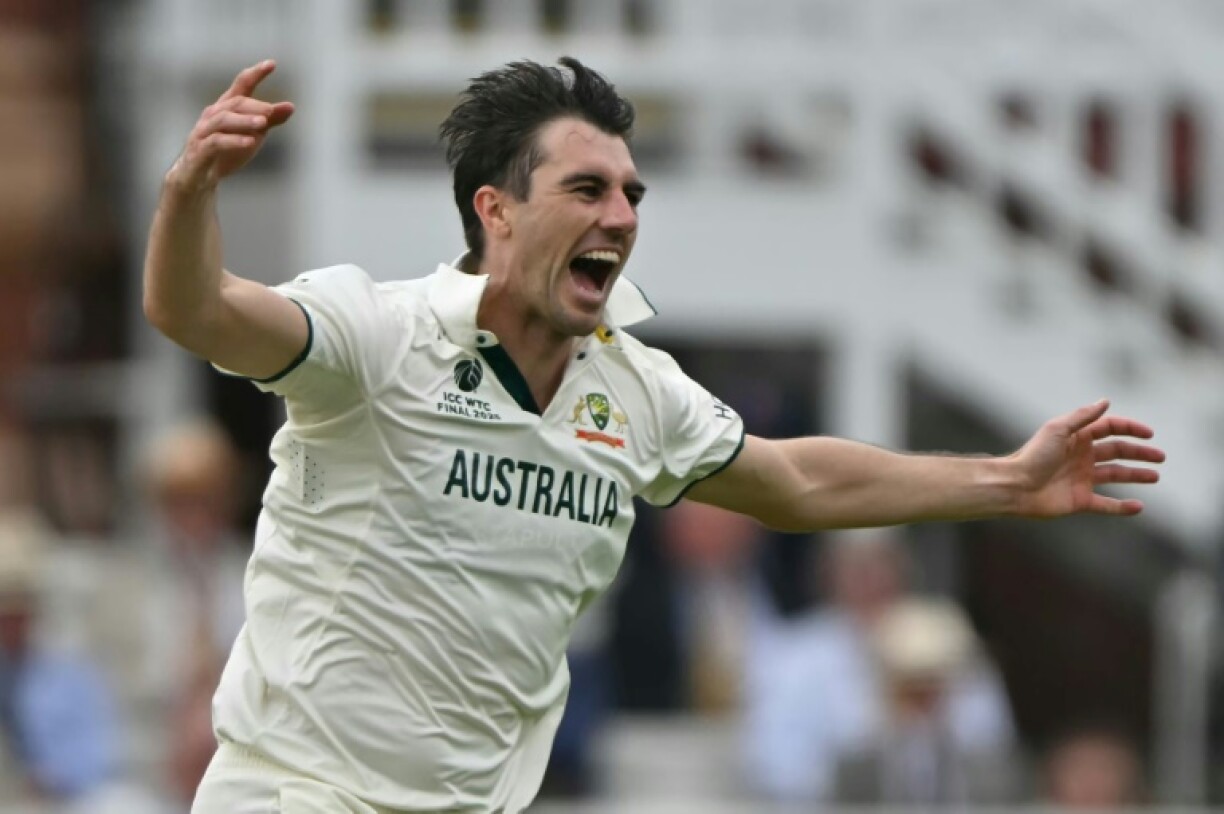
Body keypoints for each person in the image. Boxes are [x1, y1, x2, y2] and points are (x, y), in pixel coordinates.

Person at [142, 56, 1165, 814]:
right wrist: (189, 193)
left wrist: (1004, 479)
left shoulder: (635, 389)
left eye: (632, 192)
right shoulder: (373, 333)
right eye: (587, 189)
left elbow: (795, 482)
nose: (622, 214)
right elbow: (198, 313)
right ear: (495, 210)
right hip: (296, 795)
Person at [743, 532, 1014, 801]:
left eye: (882, 563)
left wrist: (933, 718)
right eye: (857, 567)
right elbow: (775, 766)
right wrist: (878, 726)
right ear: (830, 573)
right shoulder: (795, 656)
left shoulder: (950, 637)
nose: (871, 579)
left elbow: (993, 748)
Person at [831, 598, 1019, 806]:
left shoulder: (987, 772)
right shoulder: (857, 772)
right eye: (911, 686)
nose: (924, 699)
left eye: (933, 684)